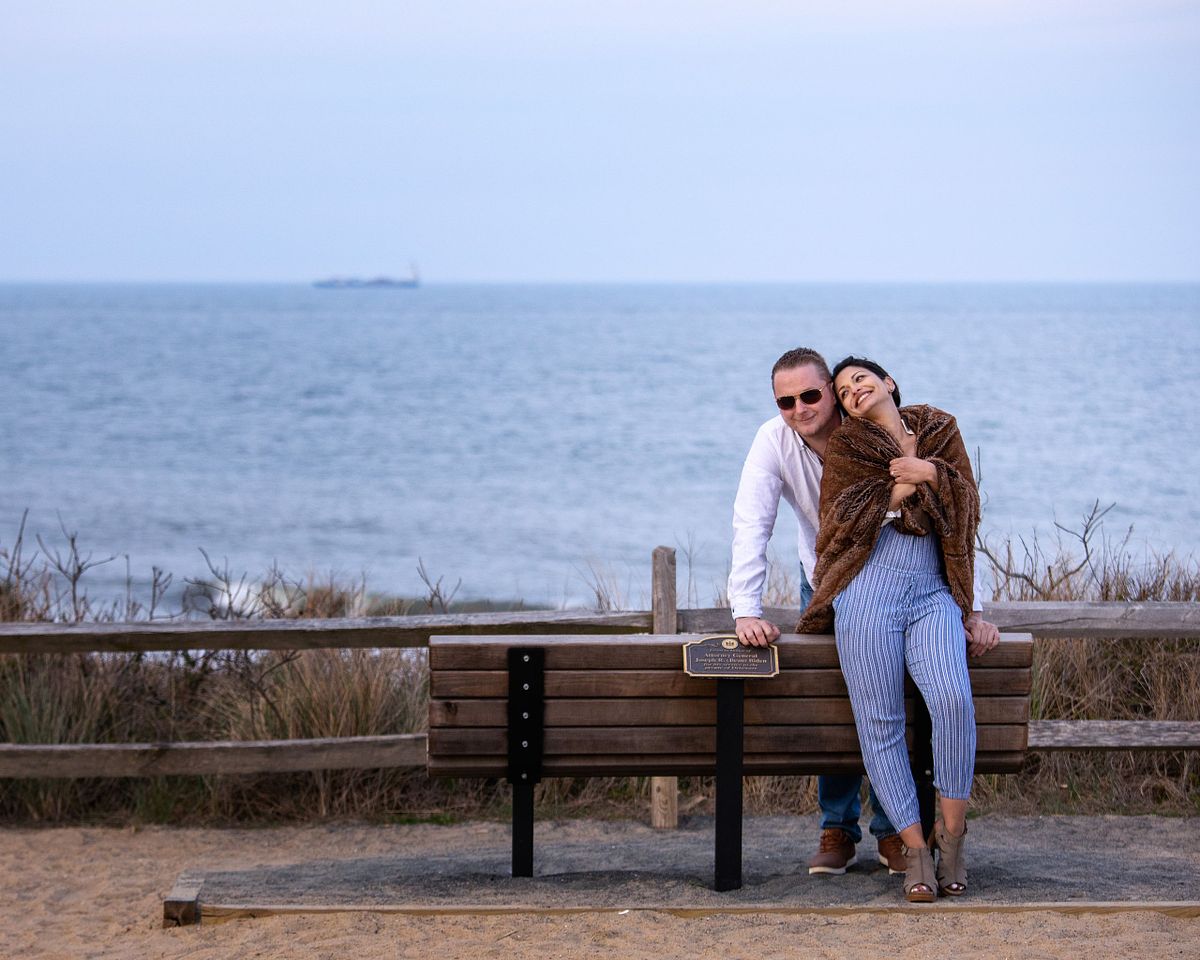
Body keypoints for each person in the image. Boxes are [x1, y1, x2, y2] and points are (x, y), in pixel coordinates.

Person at [728, 347, 999, 879]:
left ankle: (894, 834)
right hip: (829, 577)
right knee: (852, 700)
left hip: (923, 585)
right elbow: (751, 523)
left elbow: (960, 531)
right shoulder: (776, 441)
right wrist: (745, 609)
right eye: (786, 401)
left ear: (829, 391)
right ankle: (838, 825)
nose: (800, 408)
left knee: (924, 696)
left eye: (811, 394)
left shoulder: (903, 426)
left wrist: (973, 608)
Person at [797, 356, 987, 903]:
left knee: (951, 698)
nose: (854, 389)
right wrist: (897, 491)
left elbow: (969, 506)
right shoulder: (847, 449)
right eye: (843, 388)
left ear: (889, 383)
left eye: (862, 379)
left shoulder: (939, 429)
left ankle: (951, 838)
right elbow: (837, 521)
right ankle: (914, 852)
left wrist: (929, 472)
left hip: (930, 588)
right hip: (866, 588)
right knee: (879, 719)